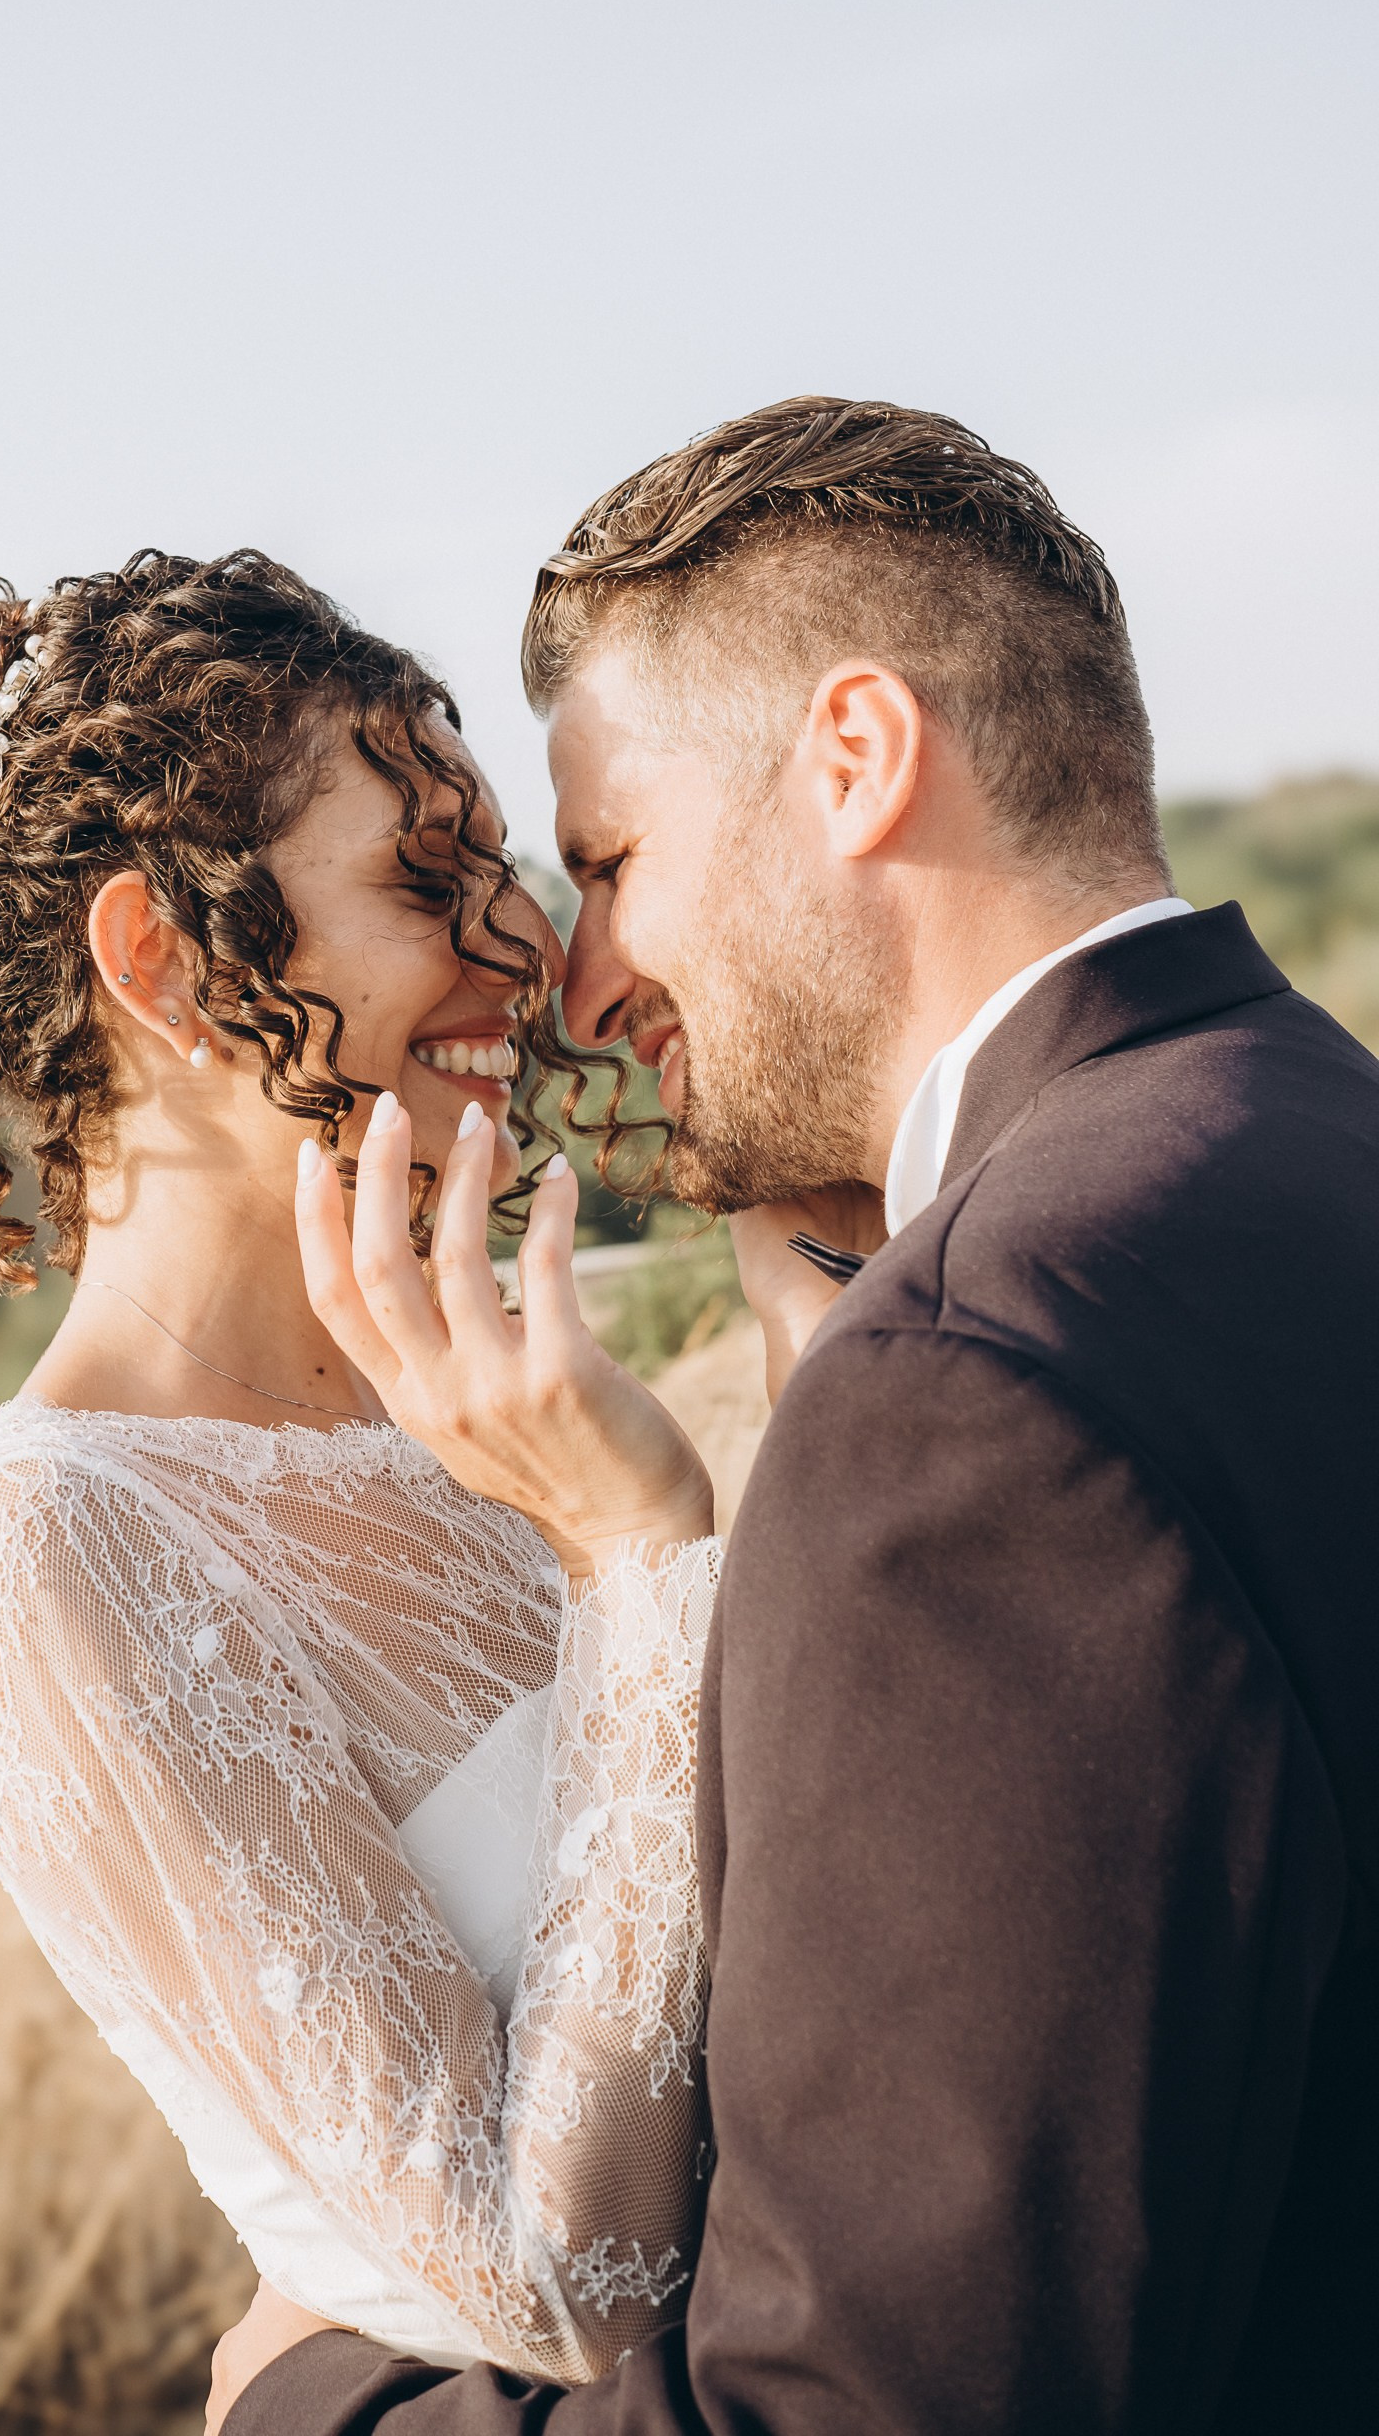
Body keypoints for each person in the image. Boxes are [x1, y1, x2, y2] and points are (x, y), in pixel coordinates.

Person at [222, 399, 1379, 2434]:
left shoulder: (971, 1391)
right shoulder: (1308, 1133)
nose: (576, 984)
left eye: (607, 861)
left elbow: (881, 2400)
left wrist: (321, 2410)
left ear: (853, 759)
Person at [0, 549, 727, 2386]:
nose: (520, 954)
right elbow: (552, 2283)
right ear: (161, 959)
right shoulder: (55, 1552)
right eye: (425, 884)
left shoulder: (496, 1385)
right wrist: (647, 1561)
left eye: (496, 870)